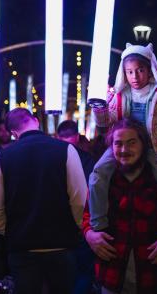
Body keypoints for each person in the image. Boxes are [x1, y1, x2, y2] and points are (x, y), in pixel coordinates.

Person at [83, 119, 157, 294]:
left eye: (131, 143)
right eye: (118, 144)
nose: (124, 150)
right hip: (113, 279)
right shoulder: (103, 179)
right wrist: (89, 234)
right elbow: (86, 214)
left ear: (144, 144)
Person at [0, 108, 87, 294]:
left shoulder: (2, 158)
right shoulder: (66, 150)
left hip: (22, 247)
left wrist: (10, 230)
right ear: (36, 121)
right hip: (61, 244)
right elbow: (79, 197)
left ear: (13, 133)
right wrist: (75, 227)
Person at [90, 43, 157, 232]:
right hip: (123, 146)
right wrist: (100, 107)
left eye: (140, 70)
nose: (135, 76)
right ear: (124, 72)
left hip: (154, 147)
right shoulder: (118, 95)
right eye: (130, 72)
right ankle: (98, 225)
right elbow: (105, 123)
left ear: (150, 70)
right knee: (97, 174)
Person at [56, 119, 96, 294]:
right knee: (82, 272)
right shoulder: (88, 160)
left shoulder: (51, 158)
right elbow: (91, 192)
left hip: (60, 226)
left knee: (62, 275)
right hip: (81, 223)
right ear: (78, 138)